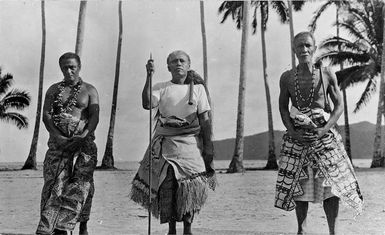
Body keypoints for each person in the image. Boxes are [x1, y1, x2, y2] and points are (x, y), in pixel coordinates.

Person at [274, 32, 363, 235]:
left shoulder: (326, 74)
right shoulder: (287, 77)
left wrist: (325, 129)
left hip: (324, 135)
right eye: (299, 46)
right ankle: (302, 231)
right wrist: (293, 133)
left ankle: (333, 232)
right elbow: (282, 108)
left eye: (307, 45)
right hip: (298, 135)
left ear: (314, 48)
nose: (304, 50)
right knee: (299, 183)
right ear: (294, 50)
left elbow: (339, 105)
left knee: (331, 185)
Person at [130, 50, 216, 235]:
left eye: (182, 61)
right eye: (174, 61)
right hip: (165, 143)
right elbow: (147, 104)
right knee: (167, 185)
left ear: (188, 64)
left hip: (190, 144)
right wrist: (148, 75)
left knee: (190, 187)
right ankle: (171, 230)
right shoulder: (161, 87)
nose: (178, 64)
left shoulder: (198, 89)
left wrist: (209, 146)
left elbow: (205, 120)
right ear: (168, 66)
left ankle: (188, 229)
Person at [36, 52, 99, 235]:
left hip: (83, 141)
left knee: (82, 185)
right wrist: (57, 137)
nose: (69, 70)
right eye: (65, 67)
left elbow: (95, 115)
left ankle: (77, 226)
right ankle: (50, 227)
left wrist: (84, 134)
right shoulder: (53, 90)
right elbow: (46, 115)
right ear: (60, 68)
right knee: (55, 183)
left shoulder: (90, 90)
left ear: (79, 67)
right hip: (59, 142)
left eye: (72, 67)